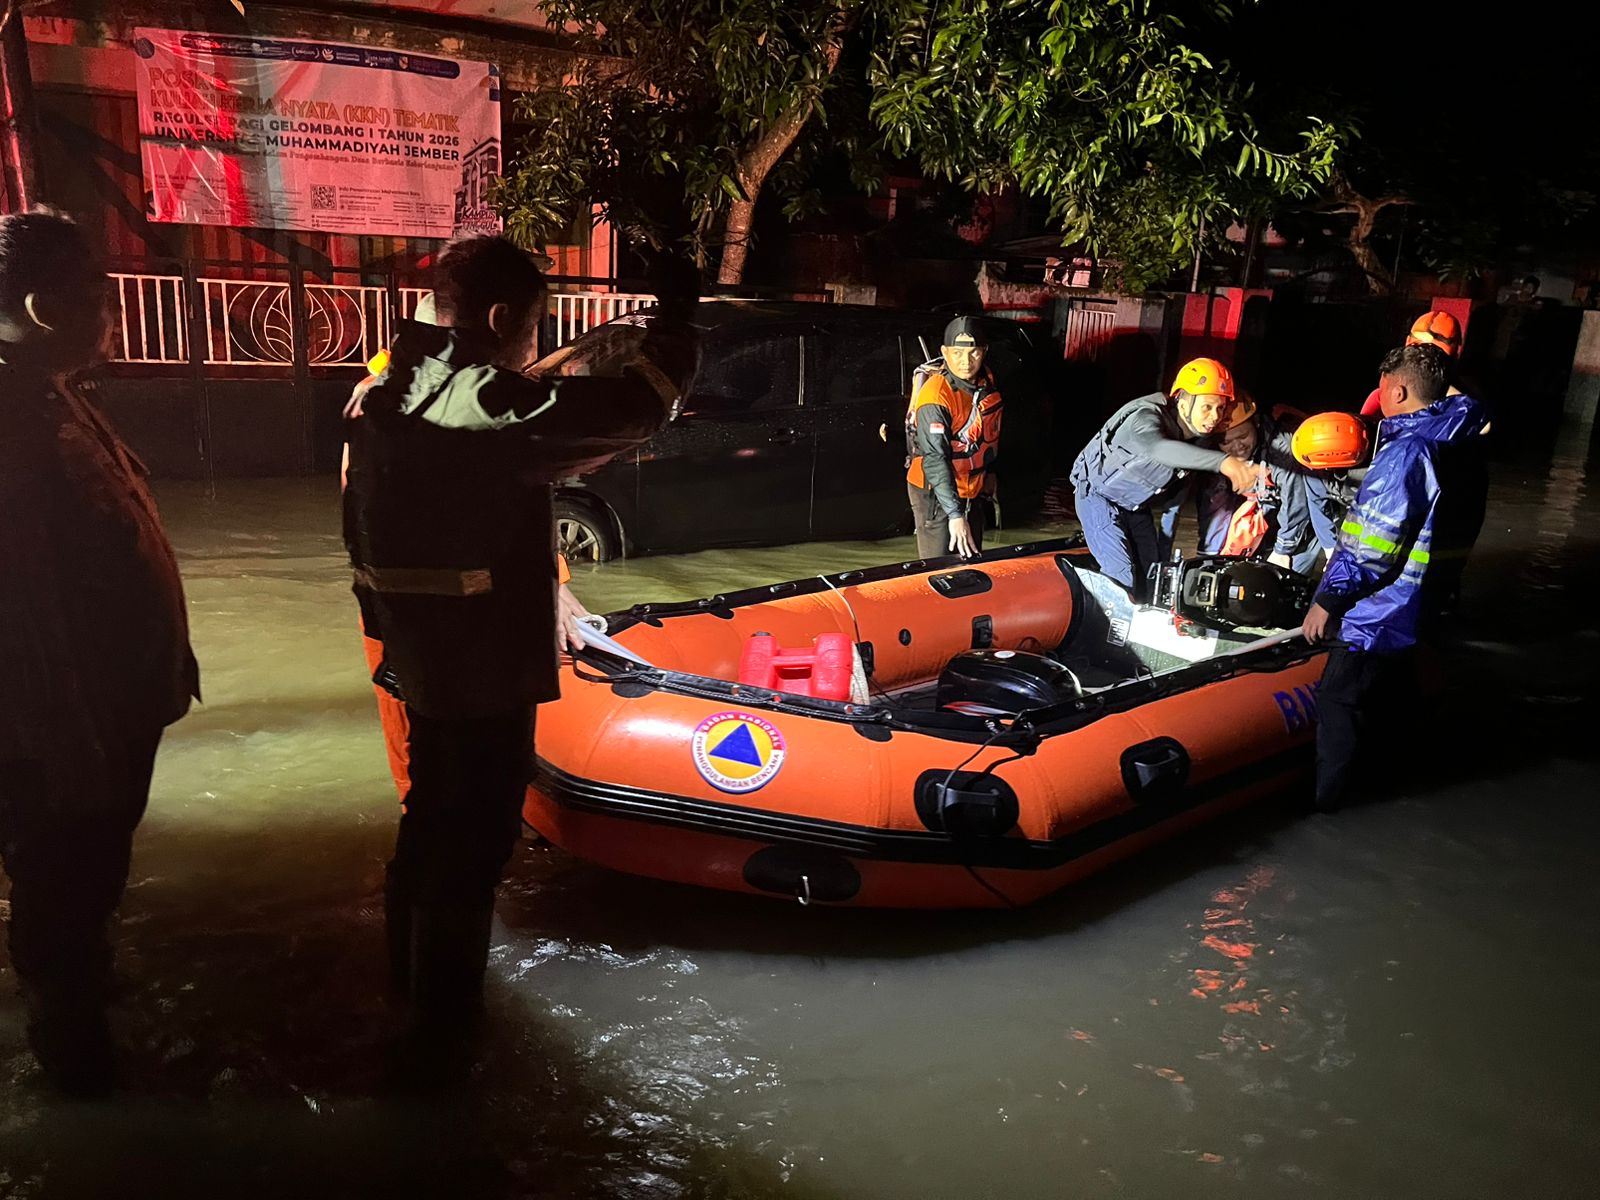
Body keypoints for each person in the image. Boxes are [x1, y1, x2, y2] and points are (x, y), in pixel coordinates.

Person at [342, 235, 683, 1044]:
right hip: (480, 656)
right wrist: (678, 330)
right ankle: (446, 1043)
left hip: (414, 648)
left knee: (428, 826)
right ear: (501, 318)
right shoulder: (479, 402)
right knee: (471, 845)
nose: (528, 349)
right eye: (531, 330)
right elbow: (632, 412)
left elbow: (469, 498)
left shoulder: (385, 380)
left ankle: (408, 996)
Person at [0, 209, 200, 1096]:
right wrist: (63, 734)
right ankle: (74, 1061)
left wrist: (170, 655)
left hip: (113, 706)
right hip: (62, 728)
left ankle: (84, 991)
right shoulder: (10, 421)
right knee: (59, 877)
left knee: (90, 870)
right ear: (45, 307)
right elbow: (21, 604)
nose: (112, 304)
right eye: (97, 288)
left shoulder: (54, 394)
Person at [1301, 344, 1489, 811]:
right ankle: (1388, 788)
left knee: (1338, 700)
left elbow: (1373, 547)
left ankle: (1329, 807)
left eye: (1382, 388)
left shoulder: (1407, 451)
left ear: (1397, 389)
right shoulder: (1462, 438)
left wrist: (1328, 599)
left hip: (1382, 611)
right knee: (1393, 704)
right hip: (1427, 601)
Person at [1070, 357, 1261, 596]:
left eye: (1220, 408)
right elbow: (1158, 449)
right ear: (1183, 403)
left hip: (1135, 508)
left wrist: (1164, 552)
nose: (1214, 416)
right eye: (1207, 407)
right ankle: (1106, 627)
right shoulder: (1144, 418)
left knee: (1153, 571)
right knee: (1121, 571)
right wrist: (1224, 462)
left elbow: (1175, 505)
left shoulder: (1196, 440)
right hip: (1098, 498)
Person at [905, 316, 1003, 559]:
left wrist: (990, 474)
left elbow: (989, 433)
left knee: (971, 561)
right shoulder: (936, 395)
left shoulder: (986, 382)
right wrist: (955, 515)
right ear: (945, 352)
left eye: (973, 353)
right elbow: (935, 458)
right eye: (957, 353)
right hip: (935, 492)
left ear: (984, 351)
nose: (965, 361)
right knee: (939, 568)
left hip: (972, 487)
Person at [1196, 391, 1319, 574]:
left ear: (1257, 423)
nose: (1237, 446)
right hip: (1264, 509)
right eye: (1226, 442)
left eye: (1243, 436)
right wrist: (1209, 558)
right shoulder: (1213, 454)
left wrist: (1283, 549)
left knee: (1287, 574)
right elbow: (1214, 506)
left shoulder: (1282, 446)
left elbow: (1296, 499)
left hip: (1306, 513)